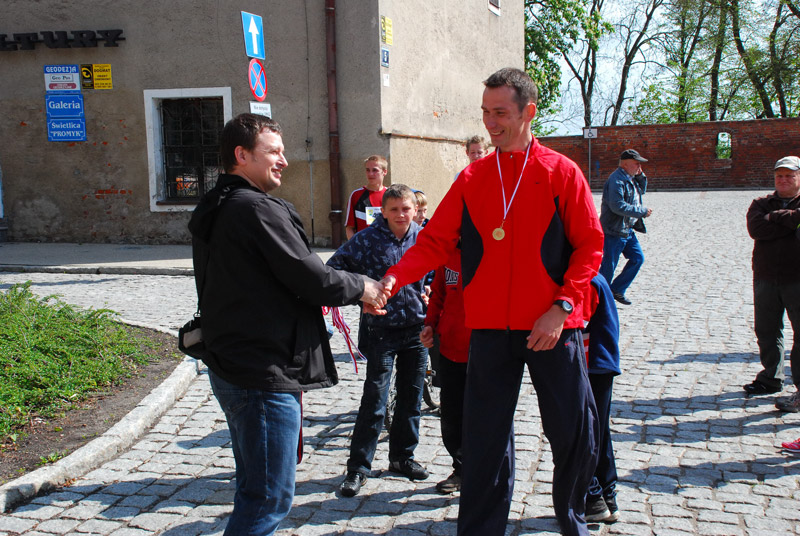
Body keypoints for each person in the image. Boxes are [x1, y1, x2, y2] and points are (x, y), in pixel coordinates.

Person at [374, 68, 604, 536]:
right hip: (491, 330)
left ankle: (574, 522)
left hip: (551, 327)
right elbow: (434, 241)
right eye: (485, 112)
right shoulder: (473, 176)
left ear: (528, 112)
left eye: (500, 112)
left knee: (571, 432)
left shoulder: (561, 172)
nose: (490, 122)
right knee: (484, 441)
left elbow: (590, 246)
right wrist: (394, 278)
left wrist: (561, 307)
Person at [188, 113, 387, 536]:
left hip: (234, 363)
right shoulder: (256, 209)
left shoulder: (219, 203)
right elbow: (311, 278)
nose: (284, 160)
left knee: (254, 490)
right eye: (274, 152)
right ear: (242, 155)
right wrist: (365, 287)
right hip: (262, 371)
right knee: (267, 499)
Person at [327, 184, 430, 497]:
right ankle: (358, 467)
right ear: (382, 211)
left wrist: (431, 290)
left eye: (406, 209)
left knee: (411, 397)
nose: (401, 215)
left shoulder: (424, 238)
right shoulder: (366, 240)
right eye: (394, 209)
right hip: (381, 330)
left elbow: (437, 271)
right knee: (375, 400)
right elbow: (333, 271)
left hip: (416, 330)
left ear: (415, 210)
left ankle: (402, 457)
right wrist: (361, 294)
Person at [742, 156, 800, 410]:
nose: (783, 180)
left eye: (789, 176)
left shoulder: (769, 210)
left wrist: (774, 218)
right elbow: (756, 230)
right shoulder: (760, 203)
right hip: (766, 276)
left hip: (796, 278)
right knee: (767, 330)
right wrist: (791, 221)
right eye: (779, 176)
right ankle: (771, 378)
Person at [419, 243, 470, 494]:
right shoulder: (448, 253)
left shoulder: (491, 249)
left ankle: (486, 474)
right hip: (450, 347)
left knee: (484, 415)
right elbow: (438, 293)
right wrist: (430, 324)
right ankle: (460, 469)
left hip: (486, 352)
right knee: (452, 414)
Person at [581, 275, 622, 524]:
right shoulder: (594, 277)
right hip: (599, 363)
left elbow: (576, 327)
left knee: (586, 432)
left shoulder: (587, 282)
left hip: (592, 366)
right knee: (599, 432)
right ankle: (608, 496)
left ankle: (593, 495)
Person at [598, 149, 653, 305]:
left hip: (627, 229)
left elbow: (641, 191)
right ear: (625, 164)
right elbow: (617, 206)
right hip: (613, 230)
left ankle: (617, 289)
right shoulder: (616, 180)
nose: (639, 167)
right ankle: (599, 298)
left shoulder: (630, 178)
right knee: (608, 267)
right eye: (636, 164)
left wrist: (640, 176)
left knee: (637, 258)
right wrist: (641, 212)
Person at [345, 155, 388, 239]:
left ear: (384, 172)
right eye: (368, 170)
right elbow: (349, 228)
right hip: (363, 245)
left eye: (375, 170)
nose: (370, 174)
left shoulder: (391, 195)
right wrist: (355, 245)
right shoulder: (356, 195)